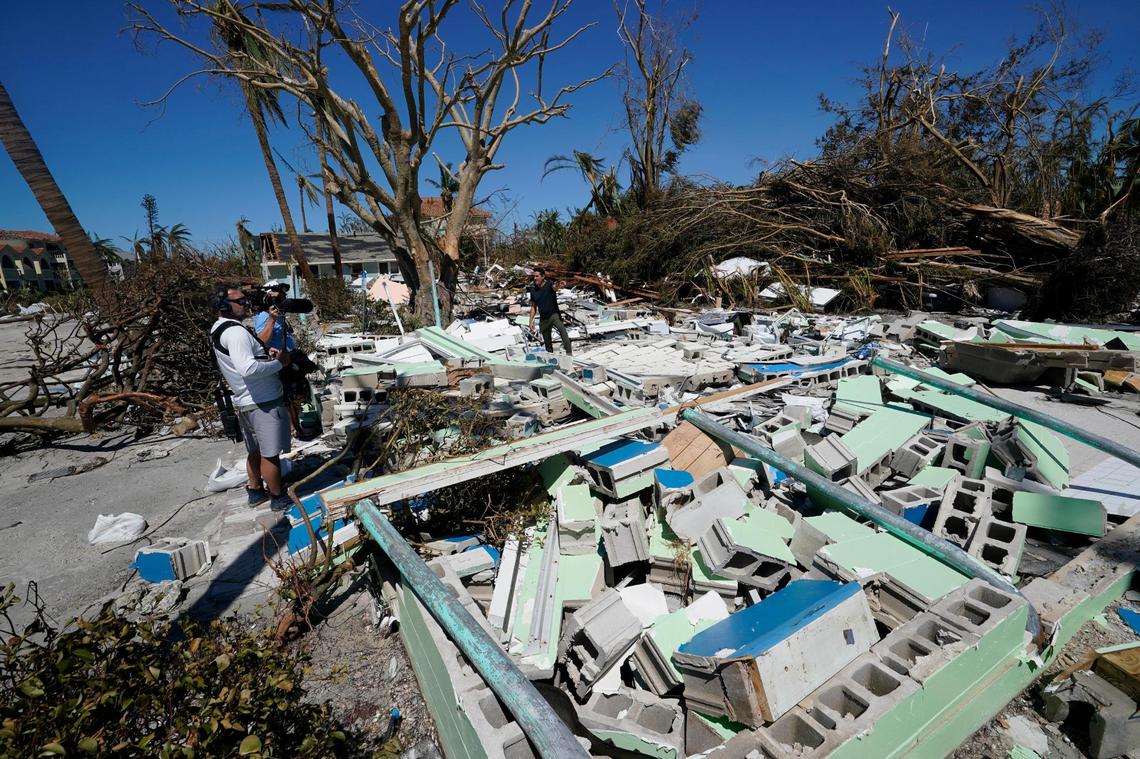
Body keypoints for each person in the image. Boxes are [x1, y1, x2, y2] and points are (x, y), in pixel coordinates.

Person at [210, 284, 293, 510]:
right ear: (224, 306)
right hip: (262, 402)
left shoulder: (220, 328)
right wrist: (279, 363)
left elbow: (247, 358)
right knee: (270, 454)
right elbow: (248, 369)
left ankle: (255, 490)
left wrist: (265, 355)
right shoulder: (235, 332)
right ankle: (277, 497)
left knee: (255, 451)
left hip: (246, 401)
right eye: (240, 301)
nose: (246, 303)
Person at [254, 289, 305, 436]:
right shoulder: (265, 316)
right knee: (286, 396)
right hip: (278, 360)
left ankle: (296, 424)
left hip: (288, 357)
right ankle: (291, 428)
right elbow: (261, 340)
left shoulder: (279, 314)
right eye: (277, 299)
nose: (281, 301)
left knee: (295, 392)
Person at [527, 267, 572, 355]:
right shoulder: (533, 290)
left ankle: (569, 354)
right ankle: (550, 357)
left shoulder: (549, 285)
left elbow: (555, 287)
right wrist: (530, 321)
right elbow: (533, 306)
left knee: (562, 331)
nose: (535, 278)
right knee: (547, 341)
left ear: (543, 276)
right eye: (534, 276)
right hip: (543, 318)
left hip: (553, 315)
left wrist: (560, 284)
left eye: (537, 276)